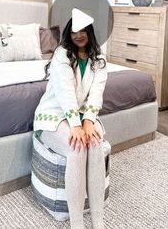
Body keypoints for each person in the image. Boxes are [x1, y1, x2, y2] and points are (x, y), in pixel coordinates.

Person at [34, 17, 108, 229]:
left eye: (83, 30)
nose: (79, 35)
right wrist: (75, 125)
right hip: (54, 115)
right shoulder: (61, 55)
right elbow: (65, 92)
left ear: (90, 32)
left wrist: (88, 121)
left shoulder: (98, 58)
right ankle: (77, 224)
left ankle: (98, 221)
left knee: (95, 144)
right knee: (76, 148)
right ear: (68, 33)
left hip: (83, 115)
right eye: (74, 31)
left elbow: (97, 92)